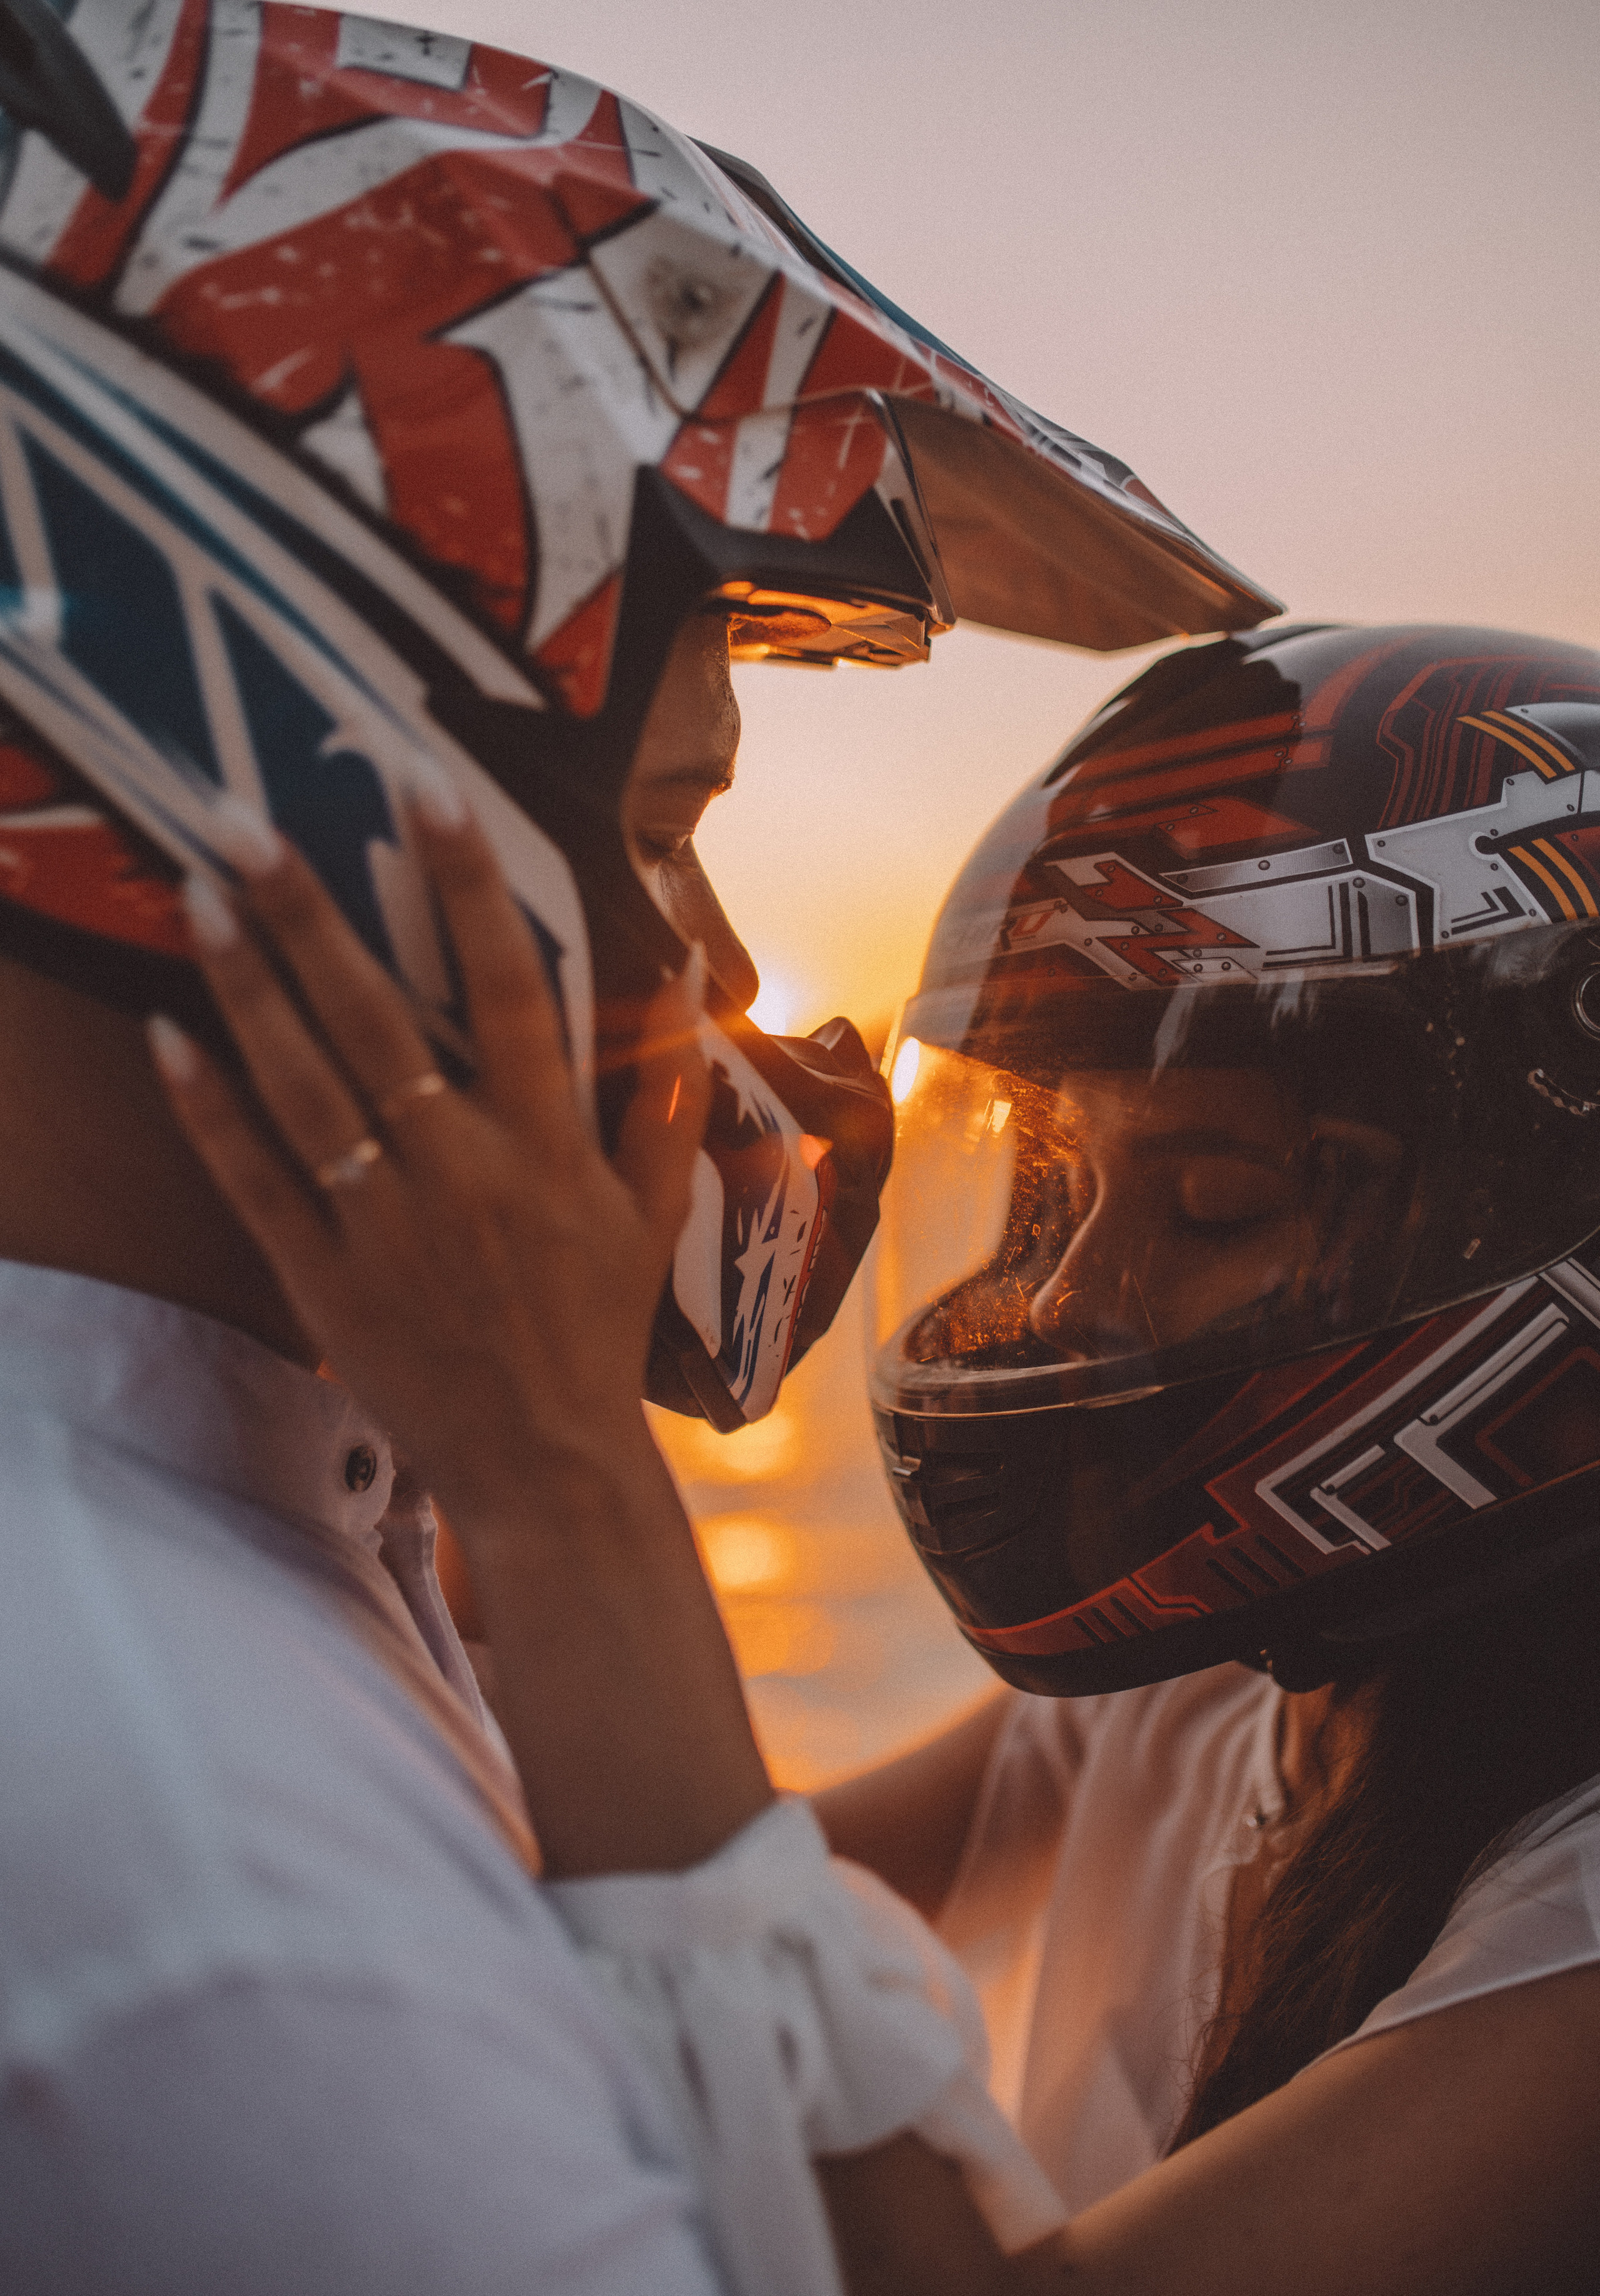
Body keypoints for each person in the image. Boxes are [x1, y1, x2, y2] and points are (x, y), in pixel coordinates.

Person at [0, 0, 1271, 2293]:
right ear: (289, 791)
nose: (714, 979)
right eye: (673, 831)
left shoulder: (268, 1535)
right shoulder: (215, 1926)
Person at [149, 622, 1600, 2296]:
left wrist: (560, 1477)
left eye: (1211, 1203)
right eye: (1057, 1188)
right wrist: (417, 1453)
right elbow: (616, 1905)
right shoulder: (1211, 1700)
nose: (1063, 1293)